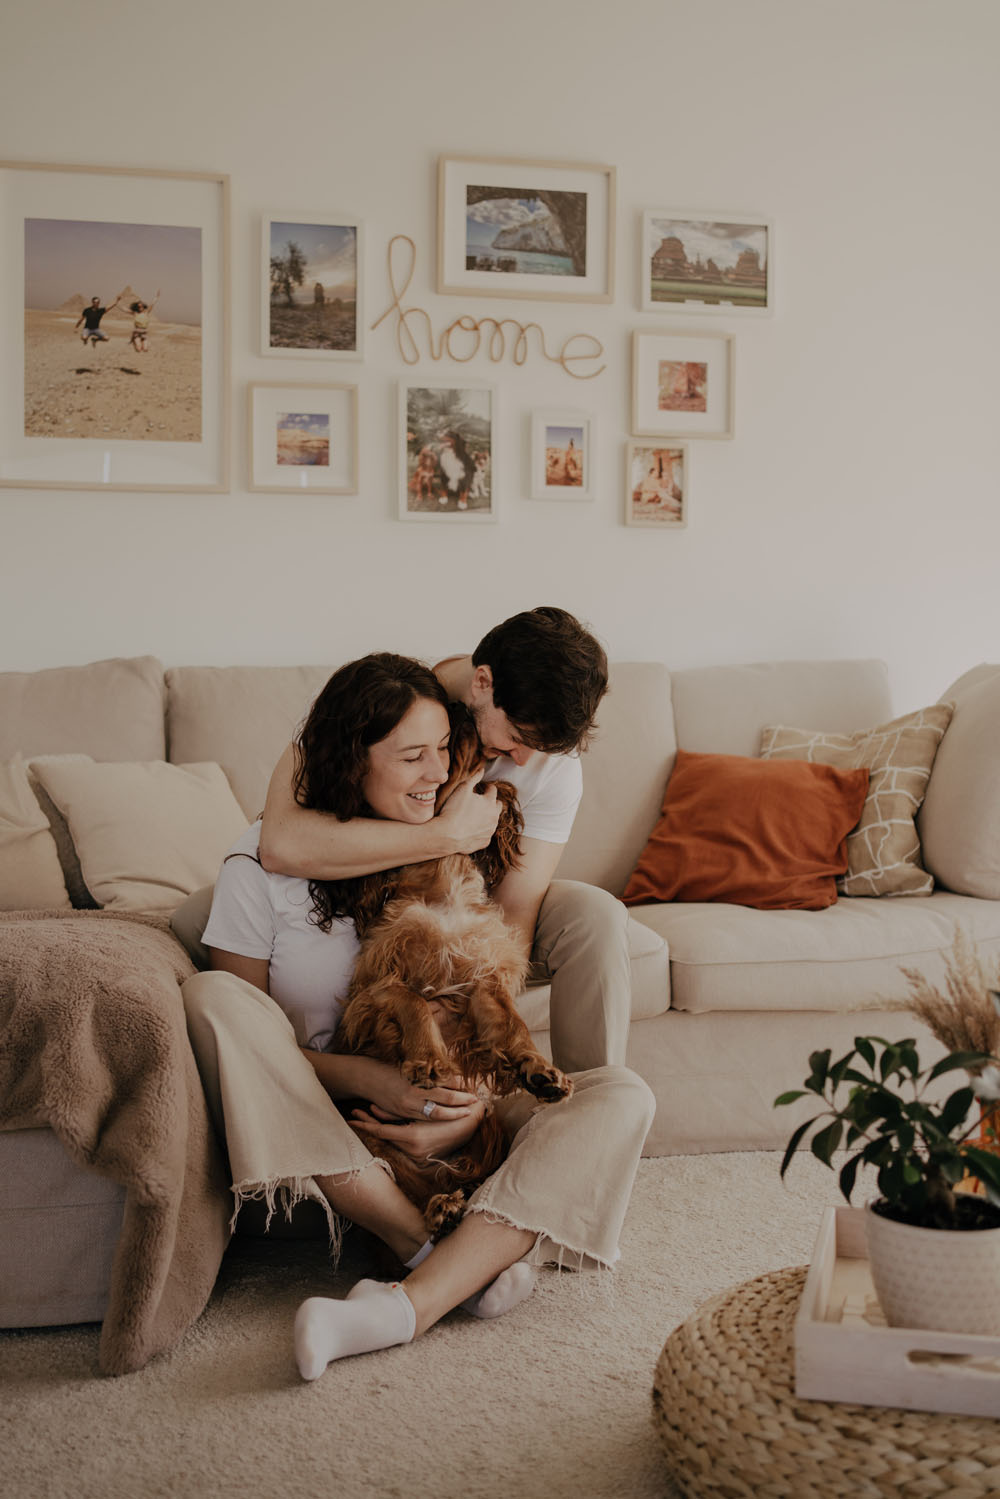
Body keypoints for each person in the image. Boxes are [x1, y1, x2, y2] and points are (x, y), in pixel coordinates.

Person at [181, 652, 654, 1380]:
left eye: (443, 750)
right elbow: (254, 1049)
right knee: (213, 1000)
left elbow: (489, 979)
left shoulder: (453, 849)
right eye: (412, 756)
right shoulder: (260, 868)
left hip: (461, 1110)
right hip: (337, 1133)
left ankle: (409, 1301)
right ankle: (427, 1243)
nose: (439, 774)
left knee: (623, 1093)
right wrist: (382, 1085)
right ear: (352, 759)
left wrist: (469, 1105)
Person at [255, 606, 632, 1074]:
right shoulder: (383, 695)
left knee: (597, 916)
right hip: (367, 895)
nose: (522, 757)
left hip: (472, 913)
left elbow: (515, 913)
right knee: (201, 920)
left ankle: (585, 1100)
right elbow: (279, 844)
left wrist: (458, 1009)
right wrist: (445, 835)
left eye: (539, 747)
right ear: (482, 682)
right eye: (516, 736)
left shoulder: (552, 767)